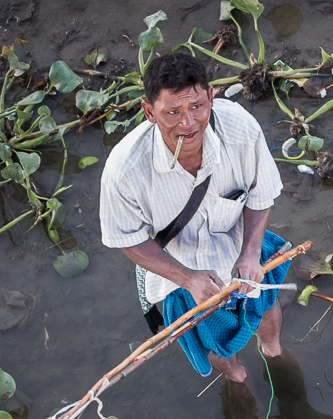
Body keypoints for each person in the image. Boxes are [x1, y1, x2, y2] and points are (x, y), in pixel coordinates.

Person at [99, 53, 289, 383]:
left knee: (266, 305)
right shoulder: (123, 171)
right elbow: (127, 239)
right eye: (172, 112)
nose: (188, 123)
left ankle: (274, 352)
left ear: (211, 97)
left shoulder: (240, 130)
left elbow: (260, 195)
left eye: (197, 106)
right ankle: (237, 377)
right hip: (174, 264)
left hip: (235, 238)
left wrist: (250, 253)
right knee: (214, 339)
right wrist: (188, 279)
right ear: (149, 112)